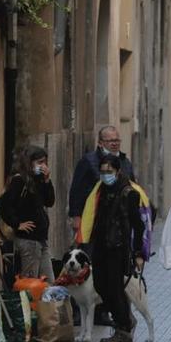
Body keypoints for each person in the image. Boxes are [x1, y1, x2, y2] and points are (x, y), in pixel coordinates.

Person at [68, 126, 135, 326]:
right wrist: (76, 216)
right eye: (109, 140)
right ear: (100, 143)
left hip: (114, 227)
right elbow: (77, 189)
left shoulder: (125, 162)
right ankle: (80, 310)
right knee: (85, 265)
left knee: (108, 271)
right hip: (92, 224)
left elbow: (133, 187)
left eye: (117, 140)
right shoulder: (88, 161)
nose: (114, 143)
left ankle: (102, 311)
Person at [78, 155, 146, 342]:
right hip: (100, 246)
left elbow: (138, 225)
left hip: (118, 248)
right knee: (100, 286)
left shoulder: (128, 193)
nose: (105, 175)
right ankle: (125, 320)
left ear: (117, 171)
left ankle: (123, 329)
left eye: (109, 171)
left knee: (115, 289)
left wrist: (139, 252)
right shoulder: (100, 192)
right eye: (103, 171)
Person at [0, 146, 56, 282]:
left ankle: (45, 304)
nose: (43, 166)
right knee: (30, 283)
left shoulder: (37, 180)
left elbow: (49, 201)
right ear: (29, 163)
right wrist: (17, 224)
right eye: (39, 162)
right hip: (29, 240)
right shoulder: (19, 181)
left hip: (41, 239)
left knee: (49, 283)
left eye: (45, 162)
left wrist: (47, 181)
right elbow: (2, 204)